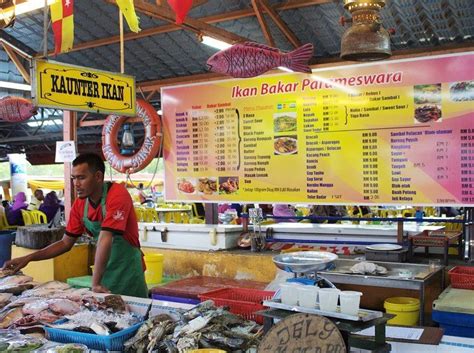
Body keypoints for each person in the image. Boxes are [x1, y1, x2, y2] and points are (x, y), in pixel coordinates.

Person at [3, 153, 148, 297]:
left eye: (81, 178)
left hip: (128, 272)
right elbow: (65, 243)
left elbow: (105, 237)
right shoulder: (80, 204)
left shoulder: (117, 194)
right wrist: (28, 258)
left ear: (98, 176)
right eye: (74, 178)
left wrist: (95, 283)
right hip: (103, 271)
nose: (76, 184)